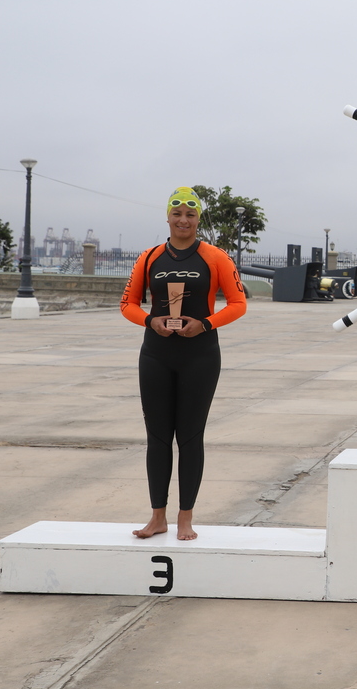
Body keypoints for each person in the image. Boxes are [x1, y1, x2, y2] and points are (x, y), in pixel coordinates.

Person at [120, 187, 247, 539]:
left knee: (190, 437)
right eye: (177, 214)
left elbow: (238, 303)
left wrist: (205, 324)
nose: (183, 220)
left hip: (200, 355)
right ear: (168, 217)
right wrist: (150, 321)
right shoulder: (149, 258)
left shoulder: (216, 257)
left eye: (190, 215)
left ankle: (185, 518)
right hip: (156, 355)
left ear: (198, 219)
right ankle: (157, 517)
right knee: (158, 437)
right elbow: (128, 304)